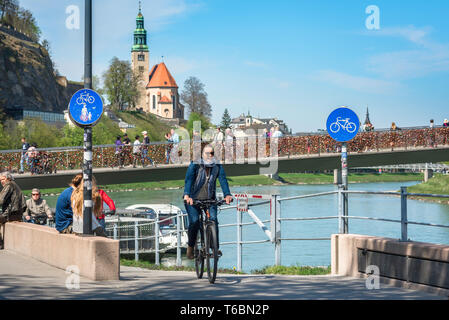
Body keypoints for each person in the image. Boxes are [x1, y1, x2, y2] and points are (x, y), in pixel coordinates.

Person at [183, 145, 233, 259]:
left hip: (209, 199)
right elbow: (189, 180)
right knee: (195, 221)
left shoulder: (217, 165)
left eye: (212, 153)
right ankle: (190, 247)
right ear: (202, 154)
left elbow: (223, 179)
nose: (210, 155)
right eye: (207, 153)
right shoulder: (195, 165)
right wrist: (187, 195)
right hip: (193, 199)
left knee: (213, 219)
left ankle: (214, 248)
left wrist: (227, 194)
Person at [0, 172, 27, 249]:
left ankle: (0, 243)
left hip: (11, 214)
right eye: (0, 180)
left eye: (3, 179)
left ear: (8, 178)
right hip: (16, 213)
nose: (1, 181)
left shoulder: (9, 185)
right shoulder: (14, 184)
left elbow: (1, 200)